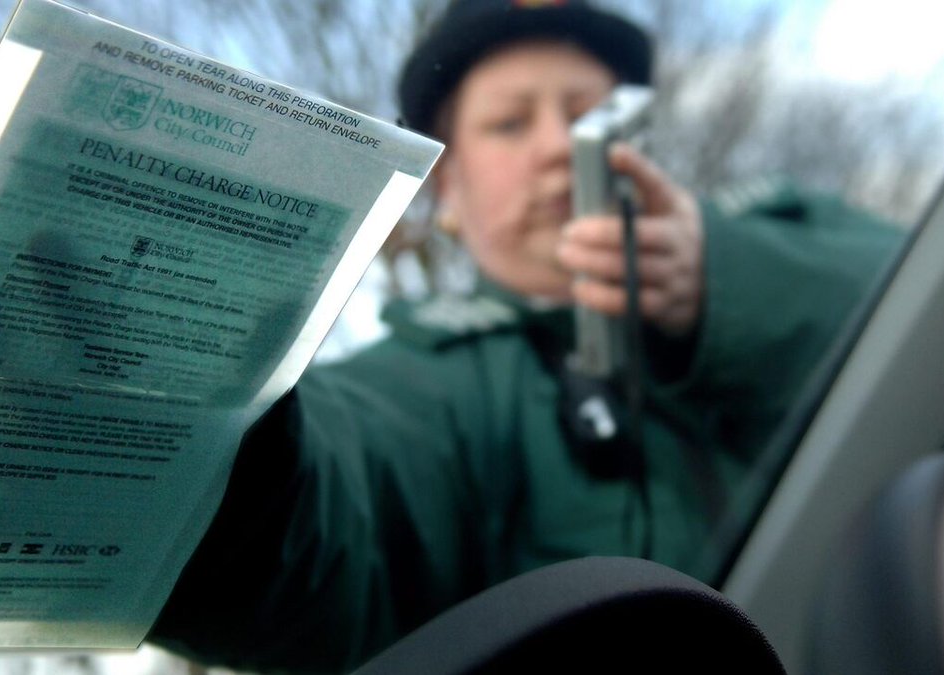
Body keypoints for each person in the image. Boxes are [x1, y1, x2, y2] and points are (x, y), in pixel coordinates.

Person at [150, 0, 902, 672]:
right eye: (510, 123)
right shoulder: (436, 383)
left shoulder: (791, 226)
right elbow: (319, 550)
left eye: (587, 116)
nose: (556, 148)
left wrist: (729, 286)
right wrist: (179, 416)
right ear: (448, 192)